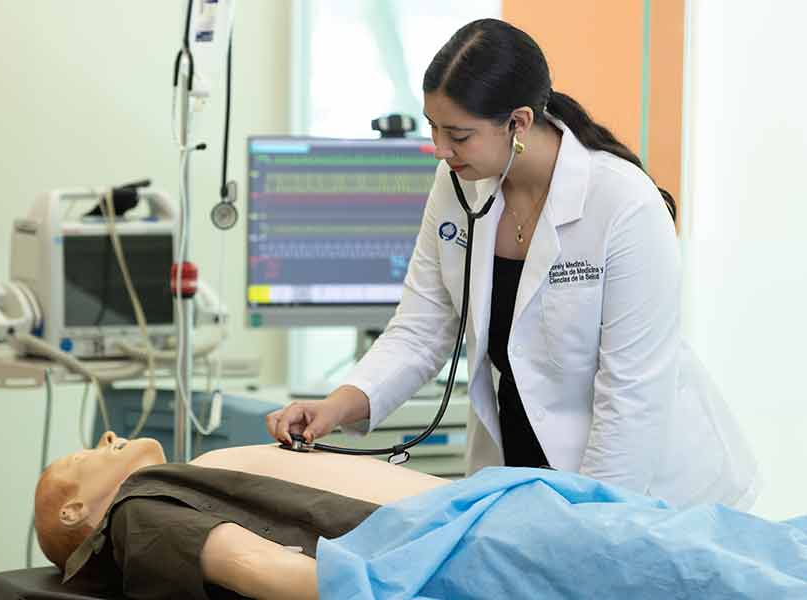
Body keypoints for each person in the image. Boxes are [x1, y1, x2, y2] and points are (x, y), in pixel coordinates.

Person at [267, 18, 759, 509]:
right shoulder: (458, 184)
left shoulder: (624, 204)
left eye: (458, 135)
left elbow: (631, 399)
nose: (440, 150)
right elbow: (421, 329)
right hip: (522, 468)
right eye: (433, 127)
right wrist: (336, 406)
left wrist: (596, 521)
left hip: (642, 483)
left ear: (518, 123)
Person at [36, 433, 807, 599]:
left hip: (488, 515)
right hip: (467, 548)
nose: (103, 440)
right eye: (81, 455)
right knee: (707, 570)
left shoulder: (178, 474)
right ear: (77, 508)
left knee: (721, 547)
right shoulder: (138, 513)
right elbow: (268, 573)